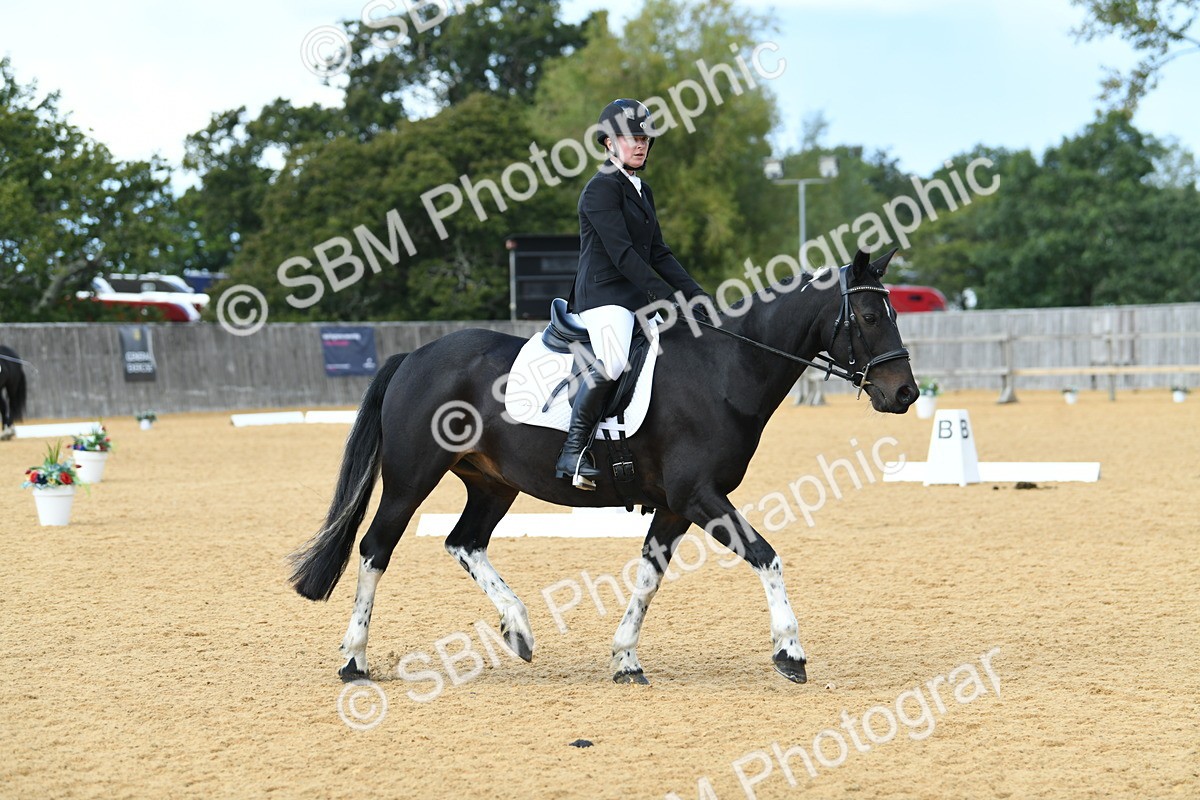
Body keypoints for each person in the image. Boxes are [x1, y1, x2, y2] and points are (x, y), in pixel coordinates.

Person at [555, 98, 711, 489]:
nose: (639, 144)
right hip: (604, 298)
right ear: (609, 143)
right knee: (612, 362)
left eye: (644, 138)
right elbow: (623, 254)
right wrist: (667, 299)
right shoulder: (600, 189)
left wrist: (696, 295)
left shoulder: (642, 190)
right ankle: (573, 452)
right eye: (630, 138)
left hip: (635, 298)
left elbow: (658, 252)